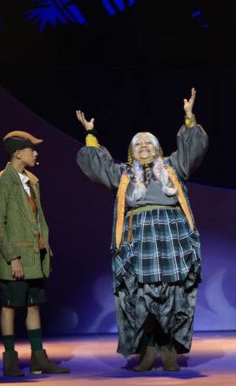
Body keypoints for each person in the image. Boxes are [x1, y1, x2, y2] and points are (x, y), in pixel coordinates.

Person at [75, 88, 208, 371]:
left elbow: (194, 150)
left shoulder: (173, 166)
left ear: (158, 148)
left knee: (173, 292)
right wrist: (90, 135)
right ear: (131, 151)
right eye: (138, 144)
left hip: (171, 236)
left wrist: (189, 118)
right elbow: (97, 167)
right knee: (140, 294)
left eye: (149, 143)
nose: (144, 146)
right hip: (138, 239)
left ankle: (169, 348)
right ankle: (147, 350)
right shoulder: (124, 174)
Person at [0, 130, 70, 376]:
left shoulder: (32, 180)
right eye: (31, 149)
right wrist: (12, 257)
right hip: (14, 257)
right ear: (17, 153)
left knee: (34, 304)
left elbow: (37, 219)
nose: (35, 154)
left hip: (34, 255)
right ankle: (10, 359)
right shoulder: (1, 180)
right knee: (10, 306)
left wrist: (45, 249)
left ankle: (38, 358)